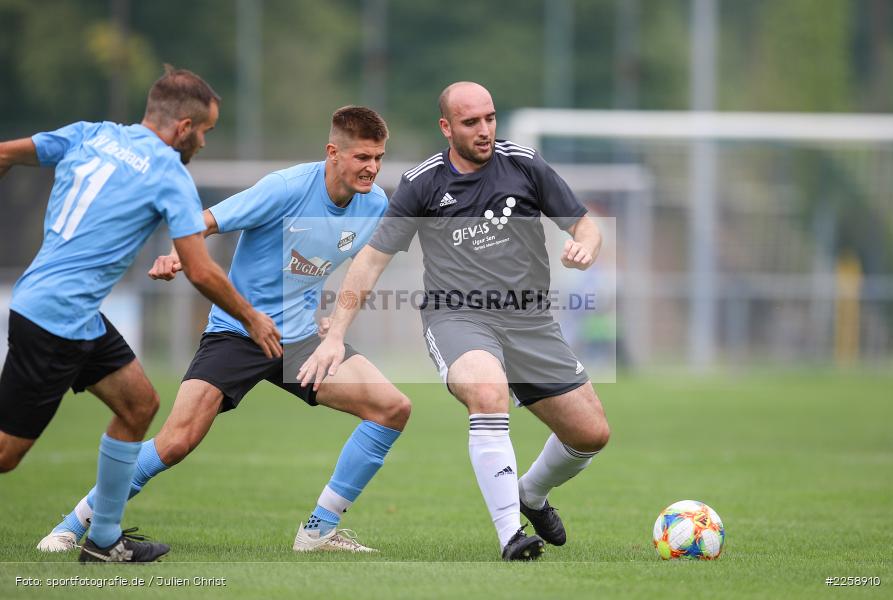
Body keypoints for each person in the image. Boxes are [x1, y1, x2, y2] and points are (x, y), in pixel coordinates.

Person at [37, 106, 411, 555]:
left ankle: (318, 530)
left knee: (392, 407)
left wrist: (334, 318)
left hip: (299, 341)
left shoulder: (374, 205)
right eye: (362, 157)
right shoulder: (286, 187)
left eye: (379, 158)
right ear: (333, 152)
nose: (372, 168)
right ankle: (70, 525)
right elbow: (207, 221)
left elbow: (360, 269)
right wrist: (180, 256)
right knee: (176, 442)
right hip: (239, 332)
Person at [299, 82, 610, 561]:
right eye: (471, 122)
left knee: (590, 434)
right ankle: (511, 536)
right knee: (488, 391)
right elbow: (371, 261)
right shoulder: (424, 182)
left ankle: (530, 494)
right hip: (457, 317)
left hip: (530, 321)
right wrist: (336, 334)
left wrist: (586, 246)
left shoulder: (524, 164)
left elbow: (583, 223)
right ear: (446, 127)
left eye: (489, 118)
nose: (484, 130)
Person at [0, 66, 281, 563]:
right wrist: (251, 316)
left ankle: (103, 538)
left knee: (139, 406)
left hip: (68, 311)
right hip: (55, 321)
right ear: (183, 128)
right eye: (206, 131)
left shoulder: (91, 135)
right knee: (7, 454)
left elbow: (4, 152)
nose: (205, 144)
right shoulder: (170, 175)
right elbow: (199, 270)